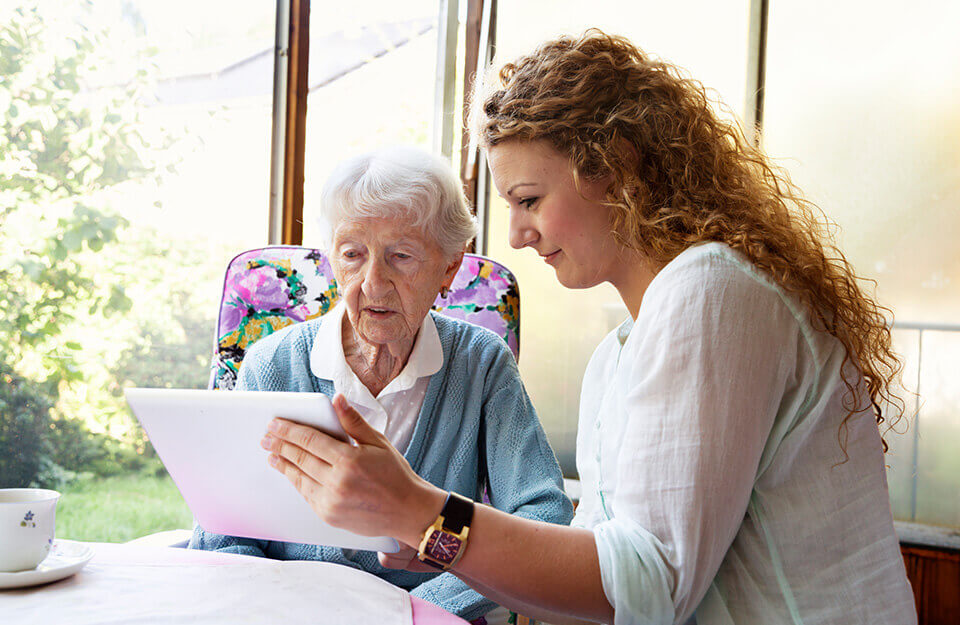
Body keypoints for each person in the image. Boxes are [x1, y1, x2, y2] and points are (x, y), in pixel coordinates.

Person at [259, 30, 918, 625]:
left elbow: (652, 584)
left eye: (529, 200)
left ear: (618, 166)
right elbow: (594, 580)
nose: (515, 235)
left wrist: (422, 510)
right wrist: (437, 541)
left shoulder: (712, 291)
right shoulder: (619, 354)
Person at [189, 146, 574, 623]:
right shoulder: (272, 365)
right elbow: (224, 534)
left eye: (402, 256)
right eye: (353, 254)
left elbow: (542, 514)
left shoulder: (480, 363)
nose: (373, 283)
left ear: (449, 268)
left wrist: (420, 610)